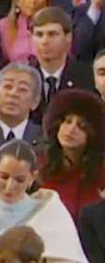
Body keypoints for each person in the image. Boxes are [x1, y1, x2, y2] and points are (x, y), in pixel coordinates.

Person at [41, 89, 105, 224]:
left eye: (81, 126)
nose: (71, 130)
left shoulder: (101, 171)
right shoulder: (40, 165)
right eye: (67, 121)